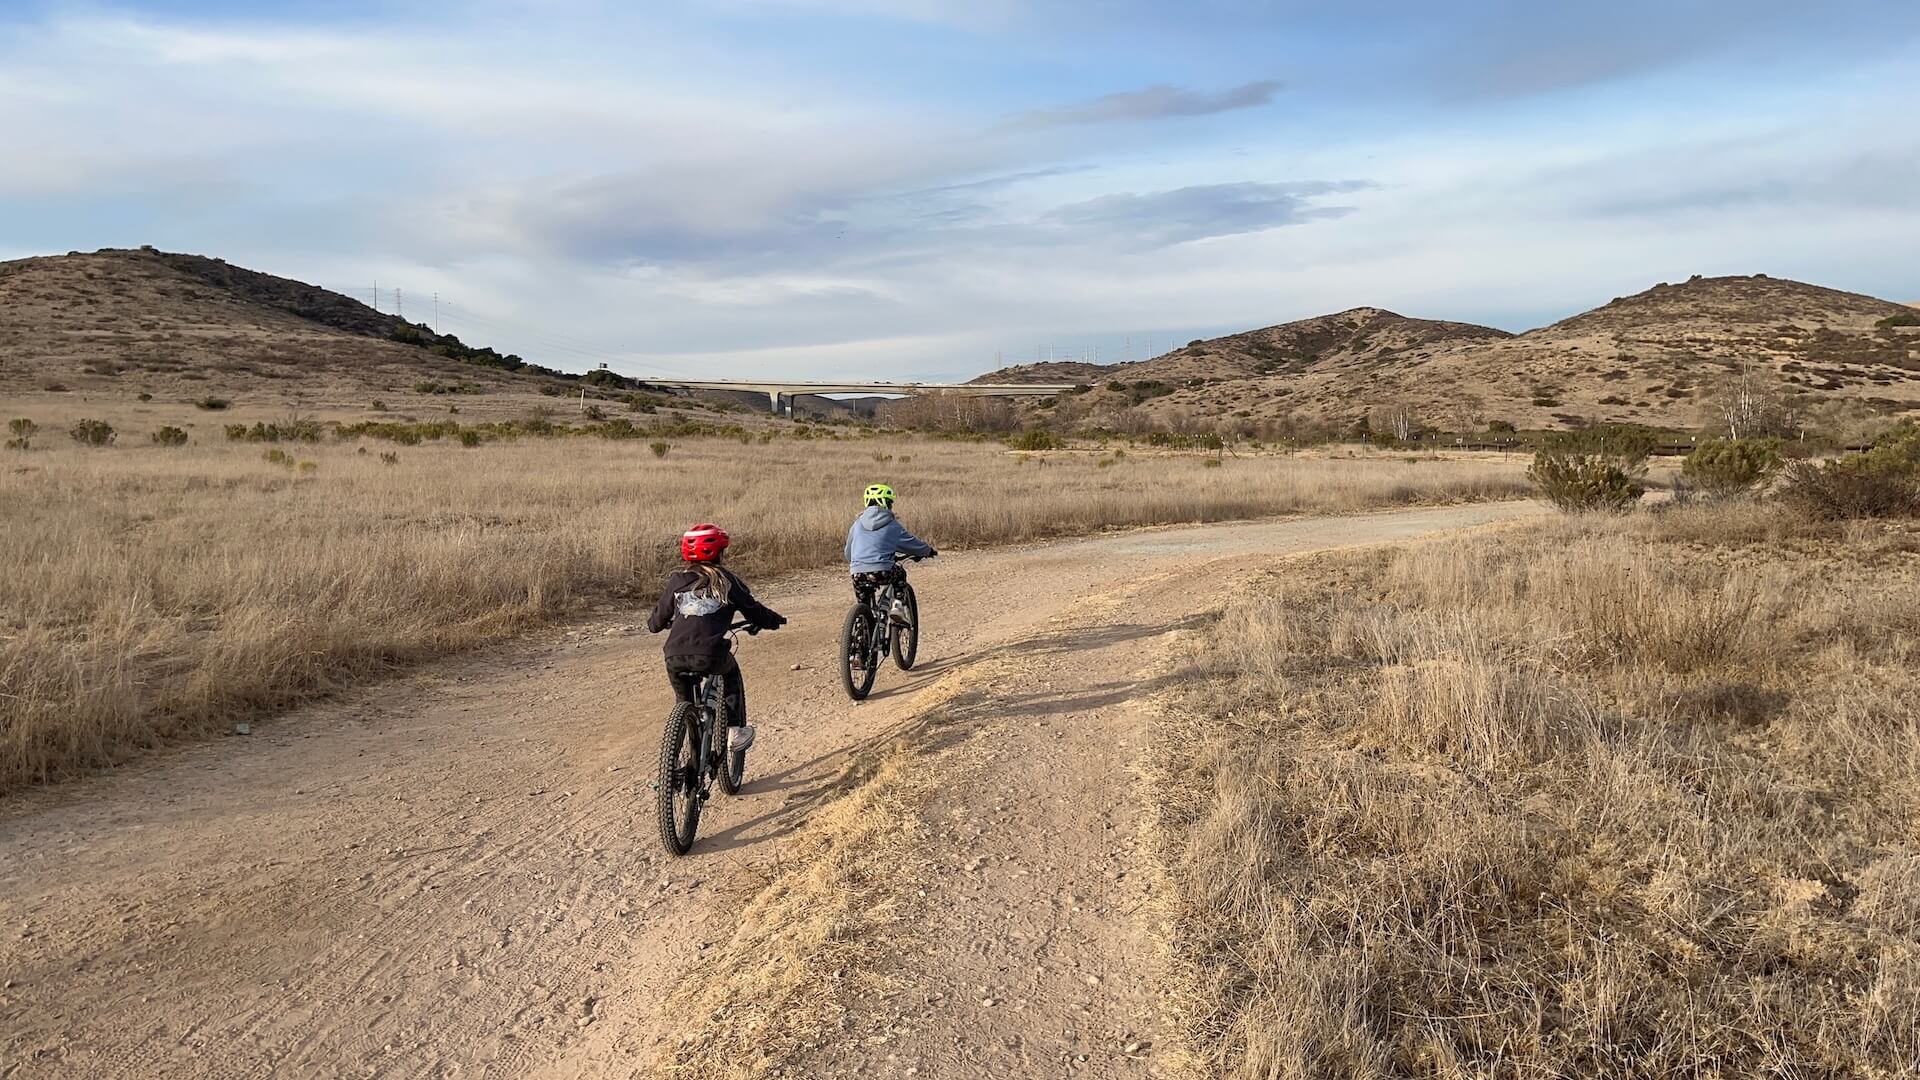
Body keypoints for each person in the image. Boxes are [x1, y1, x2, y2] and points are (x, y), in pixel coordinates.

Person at [647, 523, 785, 754]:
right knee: (730, 672)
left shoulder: (677, 581)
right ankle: (735, 731)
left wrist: (668, 623)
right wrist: (774, 621)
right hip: (710, 655)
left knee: (684, 702)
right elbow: (754, 611)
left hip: (674, 656)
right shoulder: (727, 581)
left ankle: (681, 754)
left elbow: (654, 623)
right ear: (720, 552)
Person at [845, 484, 936, 604]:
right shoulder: (892, 524)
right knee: (900, 574)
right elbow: (911, 543)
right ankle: (898, 607)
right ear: (886, 503)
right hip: (883, 571)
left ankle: (862, 618)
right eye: (890, 503)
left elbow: (848, 553)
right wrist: (927, 551)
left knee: (864, 602)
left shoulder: (856, 524)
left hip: (857, 572)